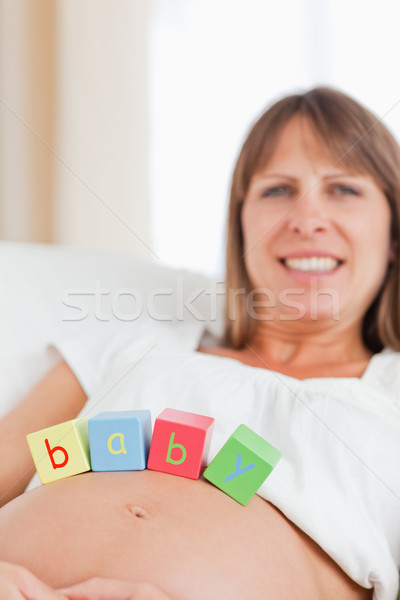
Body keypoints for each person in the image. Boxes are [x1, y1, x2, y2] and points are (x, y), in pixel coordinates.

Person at [0, 86, 399, 600]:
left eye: (344, 189)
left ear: (393, 234)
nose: (306, 218)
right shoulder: (131, 348)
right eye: (277, 190)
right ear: (240, 224)